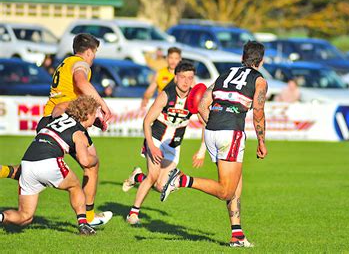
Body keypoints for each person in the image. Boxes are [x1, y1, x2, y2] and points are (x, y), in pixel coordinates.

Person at [161, 41, 268, 247]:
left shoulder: (225, 74)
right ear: (261, 61)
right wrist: (261, 141)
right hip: (231, 133)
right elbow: (258, 112)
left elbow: (202, 105)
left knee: (235, 182)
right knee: (226, 190)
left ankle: (237, 235)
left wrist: (216, 123)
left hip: (212, 130)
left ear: (242, 58)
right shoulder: (259, 80)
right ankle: (183, 180)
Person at [0, 33, 113, 226]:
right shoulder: (81, 64)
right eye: (94, 53)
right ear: (88, 51)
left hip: (48, 119)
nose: (93, 57)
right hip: (67, 120)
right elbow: (81, 82)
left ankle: (4, 171)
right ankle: (90, 217)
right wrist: (102, 104)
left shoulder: (64, 63)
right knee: (91, 165)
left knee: (34, 166)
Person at [0, 96, 100, 235]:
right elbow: (85, 161)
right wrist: (95, 159)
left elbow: (58, 107)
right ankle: (83, 225)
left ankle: (1, 217)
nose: (95, 118)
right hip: (49, 162)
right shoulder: (79, 133)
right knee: (75, 187)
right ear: (87, 115)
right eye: (95, 115)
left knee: (25, 216)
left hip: (27, 163)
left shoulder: (58, 119)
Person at [122, 61, 206, 225]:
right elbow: (147, 122)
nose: (186, 81)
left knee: (161, 186)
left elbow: (206, 124)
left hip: (173, 145)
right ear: (175, 77)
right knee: (153, 176)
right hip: (156, 139)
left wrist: (202, 150)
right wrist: (151, 147)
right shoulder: (166, 95)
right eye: (182, 77)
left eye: (190, 78)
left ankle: (137, 177)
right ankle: (133, 214)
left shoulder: (194, 99)